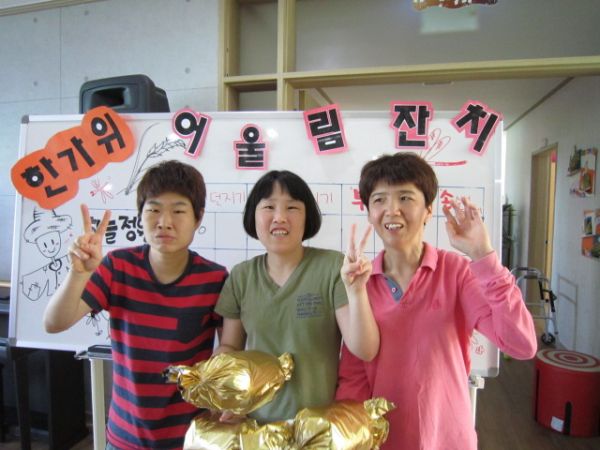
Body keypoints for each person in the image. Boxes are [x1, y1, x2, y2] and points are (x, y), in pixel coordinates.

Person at [335, 153, 537, 450]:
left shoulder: (456, 272)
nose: (391, 210)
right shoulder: (359, 281)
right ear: (368, 213)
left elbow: (522, 344)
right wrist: (352, 437)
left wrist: (483, 256)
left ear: (428, 210)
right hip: (382, 439)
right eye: (379, 200)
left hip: (448, 438)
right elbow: (353, 375)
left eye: (405, 197)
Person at [43, 160, 228, 450]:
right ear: (140, 214)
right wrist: (78, 274)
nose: (164, 222)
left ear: (198, 217)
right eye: (153, 210)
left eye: (179, 211)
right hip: (124, 437)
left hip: (190, 439)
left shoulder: (215, 278)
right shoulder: (118, 267)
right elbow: (54, 323)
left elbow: (229, 351)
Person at [214, 169, 379, 424]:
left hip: (319, 428)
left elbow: (365, 350)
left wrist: (357, 291)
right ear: (253, 216)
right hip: (255, 429)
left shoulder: (333, 268)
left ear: (306, 217)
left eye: (292, 208)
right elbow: (231, 347)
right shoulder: (241, 276)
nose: (280, 217)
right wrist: (222, 387)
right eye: (269, 207)